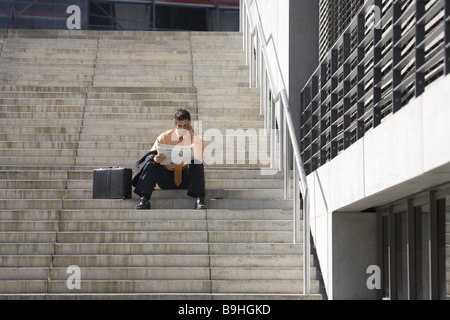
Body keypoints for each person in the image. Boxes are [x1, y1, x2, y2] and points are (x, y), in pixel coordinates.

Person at [132, 109, 206, 210]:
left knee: (196, 162)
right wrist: (155, 159)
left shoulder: (195, 137)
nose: (183, 129)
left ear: (190, 123)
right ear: (175, 124)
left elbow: (199, 155)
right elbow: (150, 155)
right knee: (151, 164)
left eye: (186, 126)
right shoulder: (164, 137)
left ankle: (200, 199)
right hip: (167, 177)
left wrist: (194, 135)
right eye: (180, 126)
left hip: (186, 178)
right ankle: (144, 199)